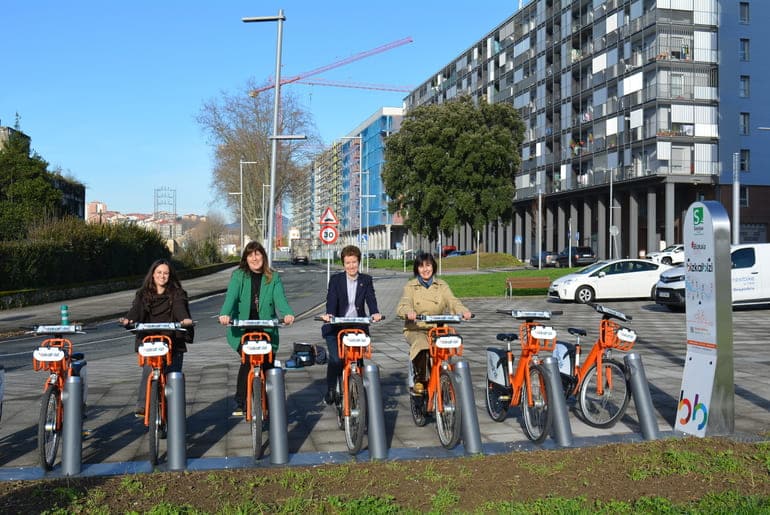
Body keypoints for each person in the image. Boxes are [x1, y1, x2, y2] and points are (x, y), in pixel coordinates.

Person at [218, 241, 295, 416]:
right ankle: (241, 401)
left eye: (258, 254)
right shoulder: (238, 276)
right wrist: (225, 314)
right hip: (243, 328)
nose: (254, 258)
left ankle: (268, 402)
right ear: (246, 258)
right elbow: (231, 297)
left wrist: (288, 314)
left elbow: (280, 299)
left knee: (268, 364)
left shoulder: (273, 277)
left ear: (263, 256)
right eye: (250, 255)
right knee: (247, 360)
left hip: (265, 328)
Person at [120, 259, 194, 418]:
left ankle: (175, 417)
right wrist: (128, 320)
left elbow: (180, 308)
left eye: (166, 273)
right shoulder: (143, 294)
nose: (162, 276)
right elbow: (136, 310)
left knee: (173, 379)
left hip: (172, 341)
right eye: (159, 272)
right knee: (149, 369)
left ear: (170, 275)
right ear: (152, 274)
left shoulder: (177, 293)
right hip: (151, 342)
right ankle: (143, 405)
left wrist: (185, 320)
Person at [396, 252, 472, 394]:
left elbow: (452, 301)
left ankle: (445, 376)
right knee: (422, 344)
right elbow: (404, 303)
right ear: (417, 269)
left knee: (449, 345)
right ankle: (420, 380)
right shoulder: (410, 286)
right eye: (421, 266)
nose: (425, 269)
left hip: (438, 328)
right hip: (416, 328)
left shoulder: (442, 285)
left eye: (428, 265)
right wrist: (409, 312)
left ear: (433, 267)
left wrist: (463, 311)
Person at [320, 245, 382, 405]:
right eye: (348, 263)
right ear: (343, 264)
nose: (351, 266)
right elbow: (331, 300)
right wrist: (330, 315)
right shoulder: (336, 280)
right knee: (336, 359)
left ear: (359, 262)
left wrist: (375, 313)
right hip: (336, 327)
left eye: (354, 262)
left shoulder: (366, 280)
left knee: (358, 360)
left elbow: (371, 299)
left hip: (357, 327)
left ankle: (357, 388)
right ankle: (331, 389)